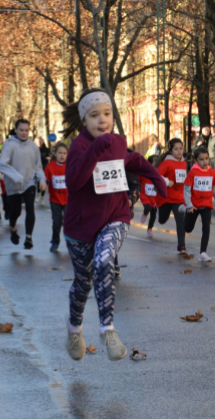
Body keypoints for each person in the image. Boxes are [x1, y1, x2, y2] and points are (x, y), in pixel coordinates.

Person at [61, 88, 166, 361]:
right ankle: (74, 329)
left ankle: (108, 329)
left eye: (107, 114)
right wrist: (95, 149)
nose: (102, 120)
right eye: (94, 115)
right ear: (84, 120)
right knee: (83, 285)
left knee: (105, 260)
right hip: (80, 228)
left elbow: (131, 159)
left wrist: (156, 177)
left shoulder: (117, 141)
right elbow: (74, 183)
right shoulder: (79, 147)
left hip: (114, 217)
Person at [0, 119, 47, 249]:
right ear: (16, 129)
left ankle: (28, 237)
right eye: (21, 130)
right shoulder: (9, 145)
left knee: (30, 206)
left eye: (26, 130)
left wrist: (42, 179)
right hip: (13, 184)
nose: (24, 133)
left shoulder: (33, 147)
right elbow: (2, 165)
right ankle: (12, 227)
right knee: (16, 211)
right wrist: (16, 177)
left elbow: (38, 167)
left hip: (29, 182)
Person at [181, 147, 215, 261]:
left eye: (206, 158)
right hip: (193, 206)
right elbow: (187, 190)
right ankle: (184, 208)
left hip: (206, 205)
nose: (205, 161)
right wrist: (189, 205)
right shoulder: (193, 172)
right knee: (188, 228)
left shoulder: (212, 172)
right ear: (195, 161)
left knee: (206, 228)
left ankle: (203, 253)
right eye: (201, 159)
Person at [156, 138, 188, 253]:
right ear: (170, 151)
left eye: (181, 149)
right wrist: (167, 181)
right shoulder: (167, 163)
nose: (179, 151)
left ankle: (181, 245)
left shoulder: (184, 163)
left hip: (178, 197)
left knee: (181, 221)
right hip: (165, 197)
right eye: (176, 149)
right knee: (162, 220)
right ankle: (159, 211)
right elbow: (157, 175)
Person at [44, 142, 69, 252]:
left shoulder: (70, 165)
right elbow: (45, 180)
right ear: (55, 154)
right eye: (60, 153)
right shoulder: (50, 167)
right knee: (57, 222)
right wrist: (43, 185)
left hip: (69, 200)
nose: (62, 155)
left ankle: (71, 242)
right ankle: (55, 241)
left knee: (69, 223)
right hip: (55, 200)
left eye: (64, 153)